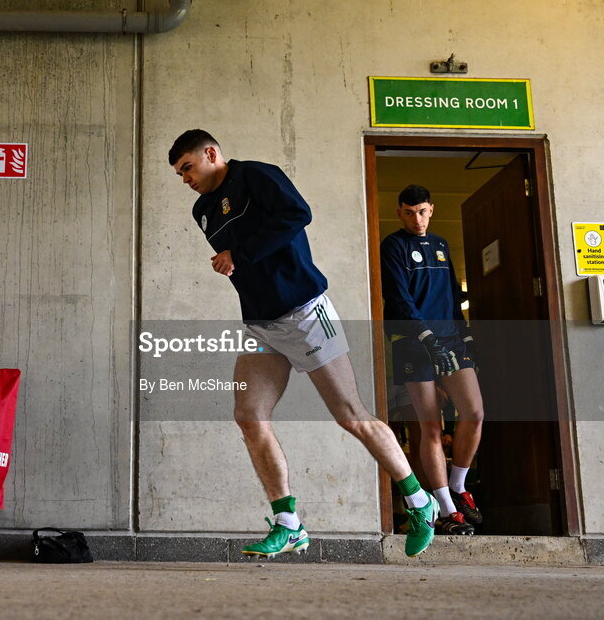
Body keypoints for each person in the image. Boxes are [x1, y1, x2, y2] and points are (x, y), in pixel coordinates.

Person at [169, 130, 439, 558]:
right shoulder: (202, 209)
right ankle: (288, 523)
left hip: (306, 313)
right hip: (261, 324)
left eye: (188, 167)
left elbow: (297, 214)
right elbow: (236, 254)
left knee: (350, 415)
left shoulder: (258, 176)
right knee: (249, 415)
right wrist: (237, 258)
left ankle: (420, 501)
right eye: (179, 174)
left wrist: (240, 255)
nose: (185, 178)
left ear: (211, 153)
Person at [380, 184, 485, 536]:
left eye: (422, 211)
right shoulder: (392, 246)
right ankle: (445, 508)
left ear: (432, 210)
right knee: (430, 427)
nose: (416, 219)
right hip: (413, 343)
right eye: (409, 212)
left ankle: (458, 485)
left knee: (474, 413)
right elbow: (398, 299)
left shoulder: (440, 246)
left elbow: (453, 294)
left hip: (451, 340)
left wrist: (465, 335)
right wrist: (426, 337)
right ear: (400, 213)